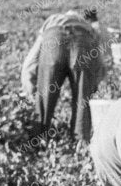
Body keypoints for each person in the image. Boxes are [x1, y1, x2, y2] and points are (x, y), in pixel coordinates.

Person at [21, 9, 106, 141]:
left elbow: (31, 60)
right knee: (82, 99)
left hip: (53, 40)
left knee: (45, 98)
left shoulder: (52, 20)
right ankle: (80, 142)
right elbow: (100, 64)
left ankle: (37, 141)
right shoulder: (88, 27)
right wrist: (92, 86)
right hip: (82, 43)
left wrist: (30, 90)